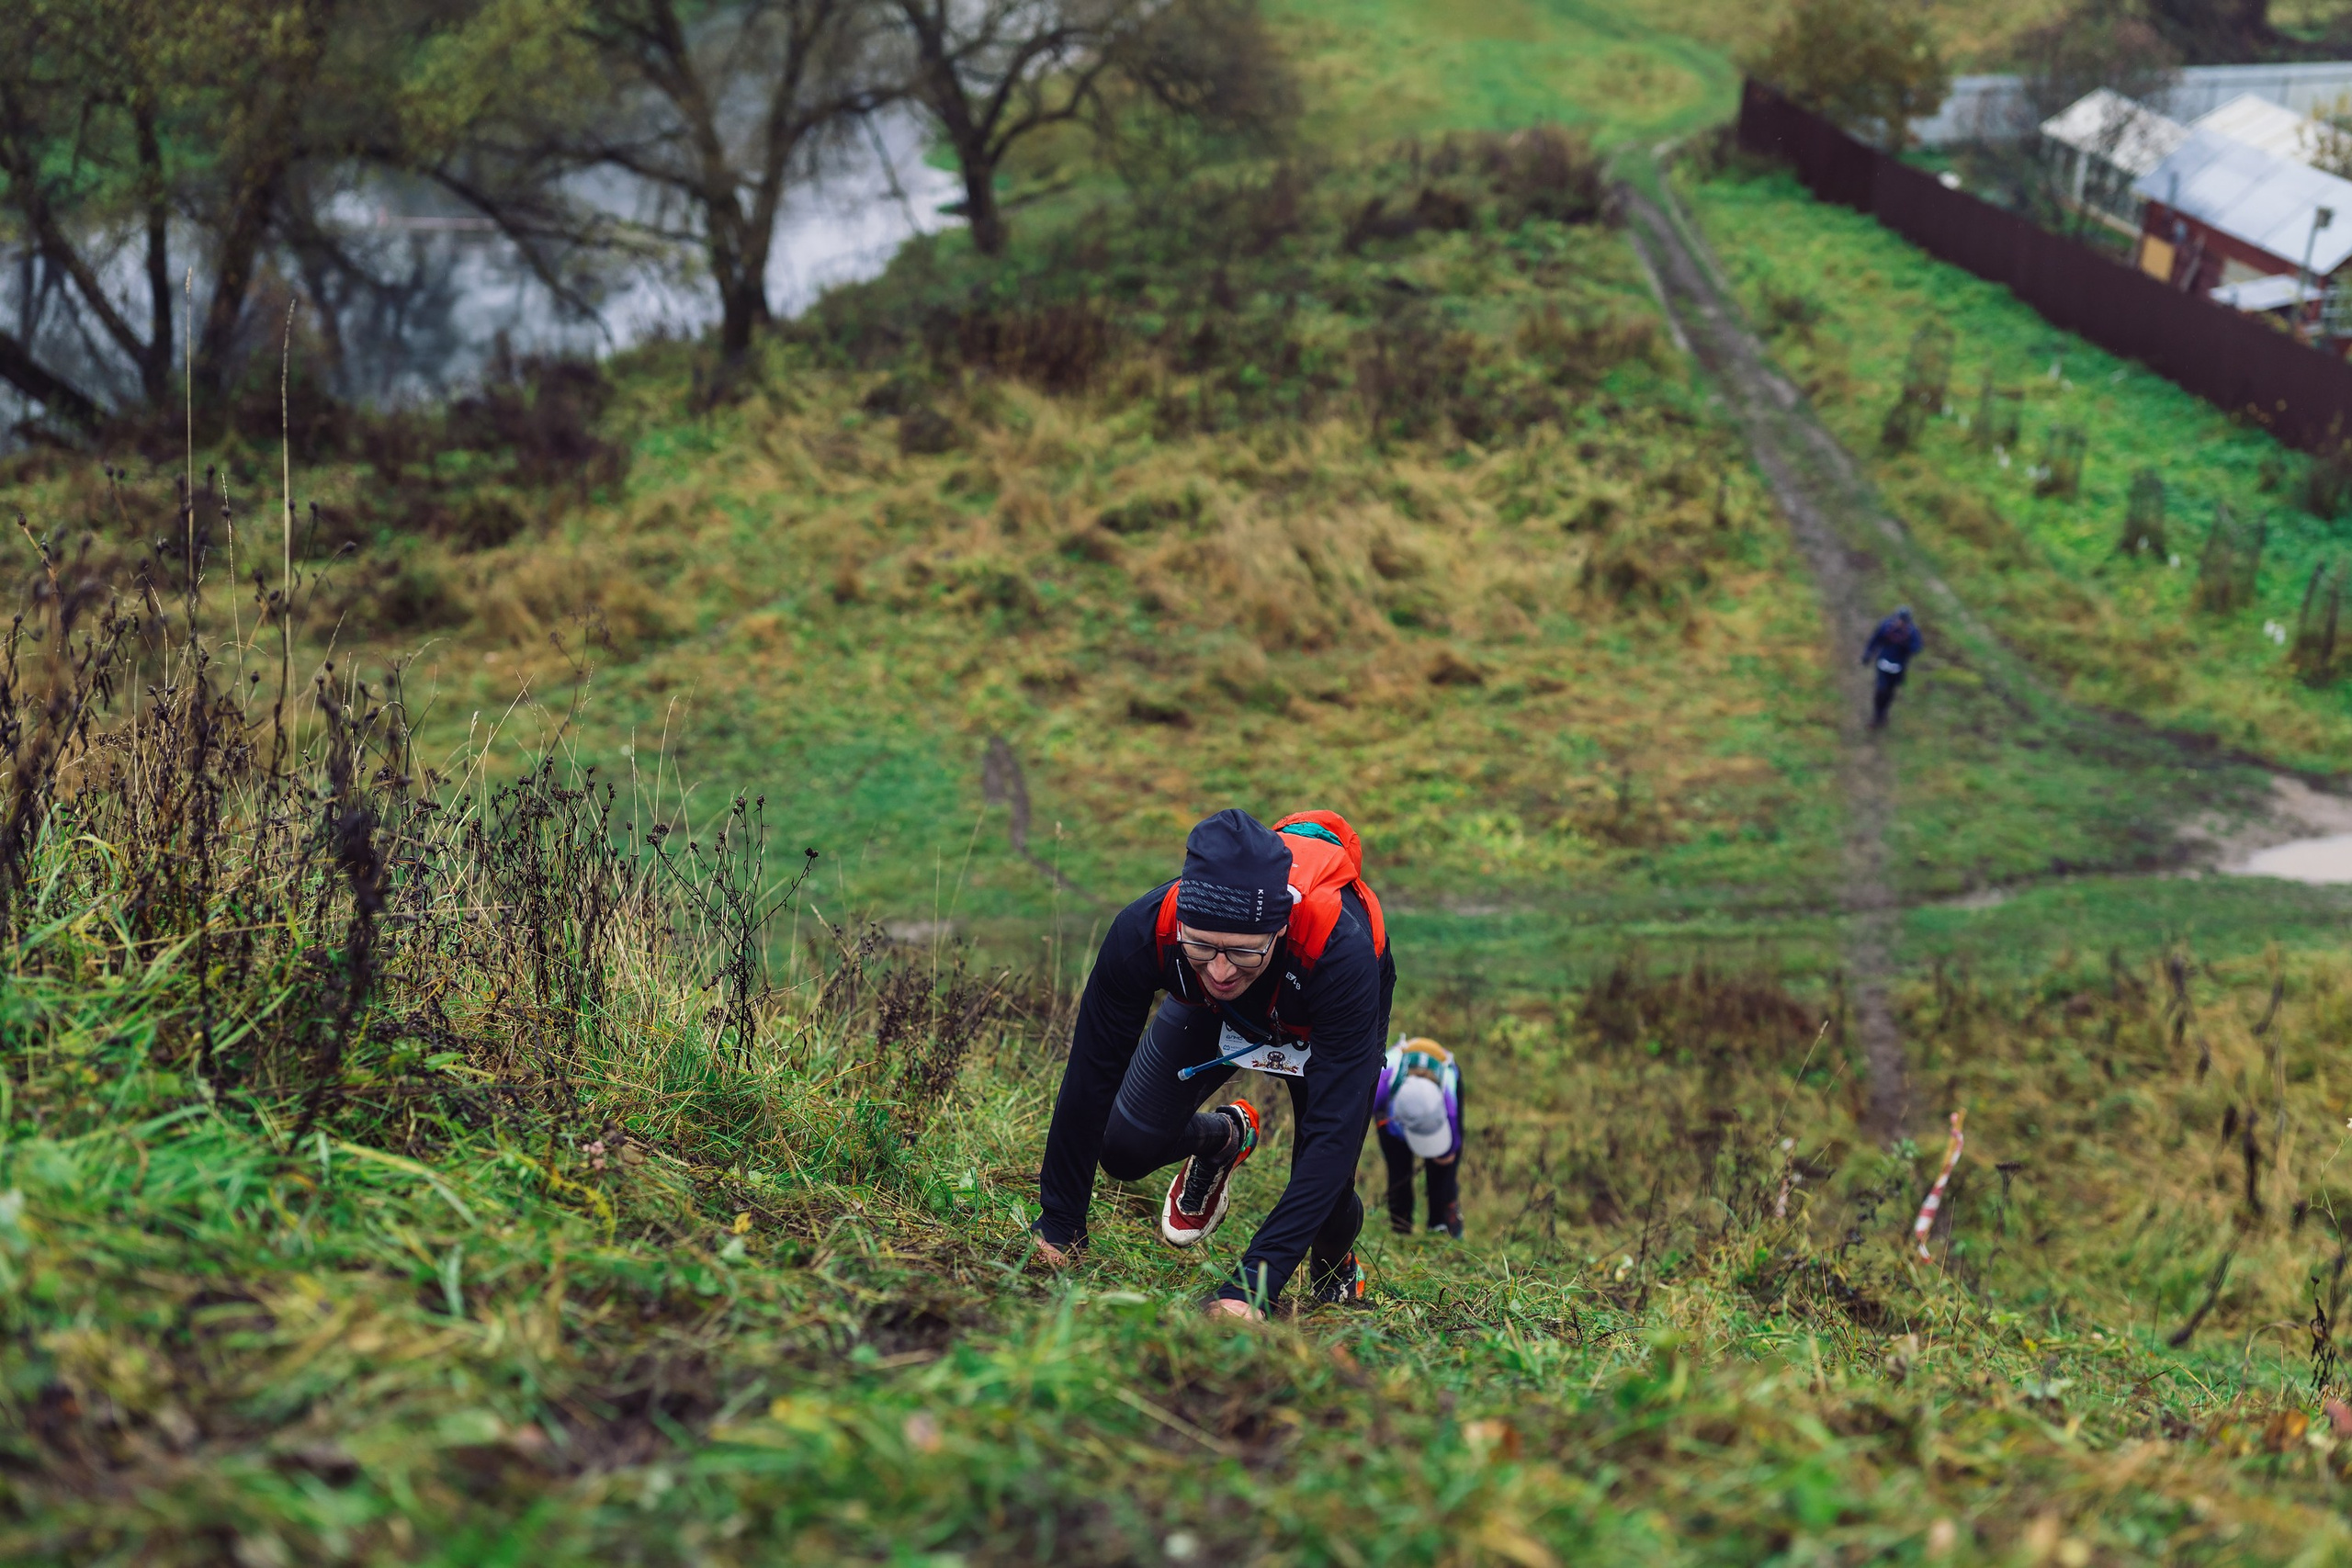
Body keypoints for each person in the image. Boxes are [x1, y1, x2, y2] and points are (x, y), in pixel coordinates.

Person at [1030, 807, 1395, 1317]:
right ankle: (1226, 1137)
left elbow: (1332, 1142)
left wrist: (1249, 1291)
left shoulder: (1338, 953)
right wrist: (1058, 1226)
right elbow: (1092, 1071)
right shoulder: (1146, 929)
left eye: (1243, 952)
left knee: (1327, 1194)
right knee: (1124, 1148)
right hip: (1220, 1011)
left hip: (1317, 1008)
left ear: (1280, 929)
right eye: (1201, 946)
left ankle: (1334, 1268)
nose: (1221, 970)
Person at [1374, 1036, 1464, 1237]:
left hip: (1437, 1107)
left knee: (1442, 1169)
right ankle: (1401, 1228)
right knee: (1398, 1171)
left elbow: (1449, 1154)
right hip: (1393, 1120)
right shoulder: (1382, 1084)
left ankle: (1439, 1227)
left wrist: (1442, 1156)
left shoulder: (1448, 1102)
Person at [1861, 606, 1924, 729]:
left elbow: (1917, 648)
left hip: (1898, 668)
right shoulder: (1886, 626)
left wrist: (1906, 645)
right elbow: (1875, 640)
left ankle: (1884, 713)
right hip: (1883, 664)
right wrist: (1868, 654)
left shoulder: (1912, 632)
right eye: (1899, 619)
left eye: (1903, 621)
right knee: (1881, 690)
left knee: (1890, 693)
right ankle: (1876, 715)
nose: (1900, 622)